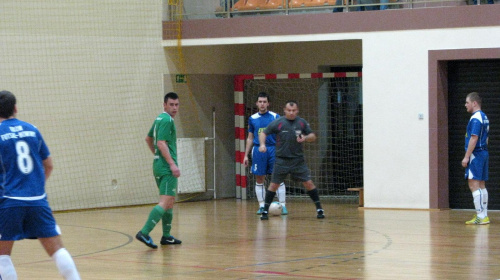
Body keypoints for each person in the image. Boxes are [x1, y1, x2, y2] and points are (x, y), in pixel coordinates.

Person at [0, 90, 80, 280]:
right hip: (38, 200)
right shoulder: (33, 130)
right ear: (16, 108)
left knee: (3, 256)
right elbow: (49, 165)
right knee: (57, 250)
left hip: (9, 201)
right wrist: (35, 186)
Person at [258, 100, 325, 220]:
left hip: (297, 160)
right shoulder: (278, 123)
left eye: (294, 111)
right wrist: (262, 144)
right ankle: (265, 211)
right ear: (284, 110)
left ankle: (319, 209)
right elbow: (263, 133)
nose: (291, 113)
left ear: (297, 111)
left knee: (308, 183)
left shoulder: (301, 122)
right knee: (274, 185)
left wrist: (305, 137)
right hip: (281, 160)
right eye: (289, 110)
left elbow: (312, 136)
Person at [136, 92, 182, 248]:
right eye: (171, 105)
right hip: (166, 168)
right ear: (164, 105)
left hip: (157, 166)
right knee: (165, 201)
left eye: (176, 105)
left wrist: (157, 156)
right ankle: (144, 232)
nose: (174, 108)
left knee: (170, 201)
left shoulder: (158, 119)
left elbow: (148, 138)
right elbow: (161, 143)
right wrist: (172, 164)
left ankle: (166, 236)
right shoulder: (167, 120)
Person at [243, 92, 288, 215]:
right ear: (257, 103)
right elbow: (250, 137)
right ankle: (262, 206)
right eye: (260, 102)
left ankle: (282, 205)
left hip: (273, 149)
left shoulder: (275, 116)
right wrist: (246, 155)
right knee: (259, 178)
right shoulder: (252, 119)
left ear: (268, 103)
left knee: (277, 178)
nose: (262, 104)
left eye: (264, 102)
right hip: (258, 151)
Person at [462, 92, 490, 225]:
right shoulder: (484, 117)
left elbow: (474, 138)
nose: (465, 105)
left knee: (473, 184)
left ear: (474, 103)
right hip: (484, 153)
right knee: (481, 185)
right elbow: (487, 138)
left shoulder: (475, 118)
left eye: (467, 102)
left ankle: (480, 215)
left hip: (476, 154)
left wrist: (467, 157)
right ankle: (484, 215)